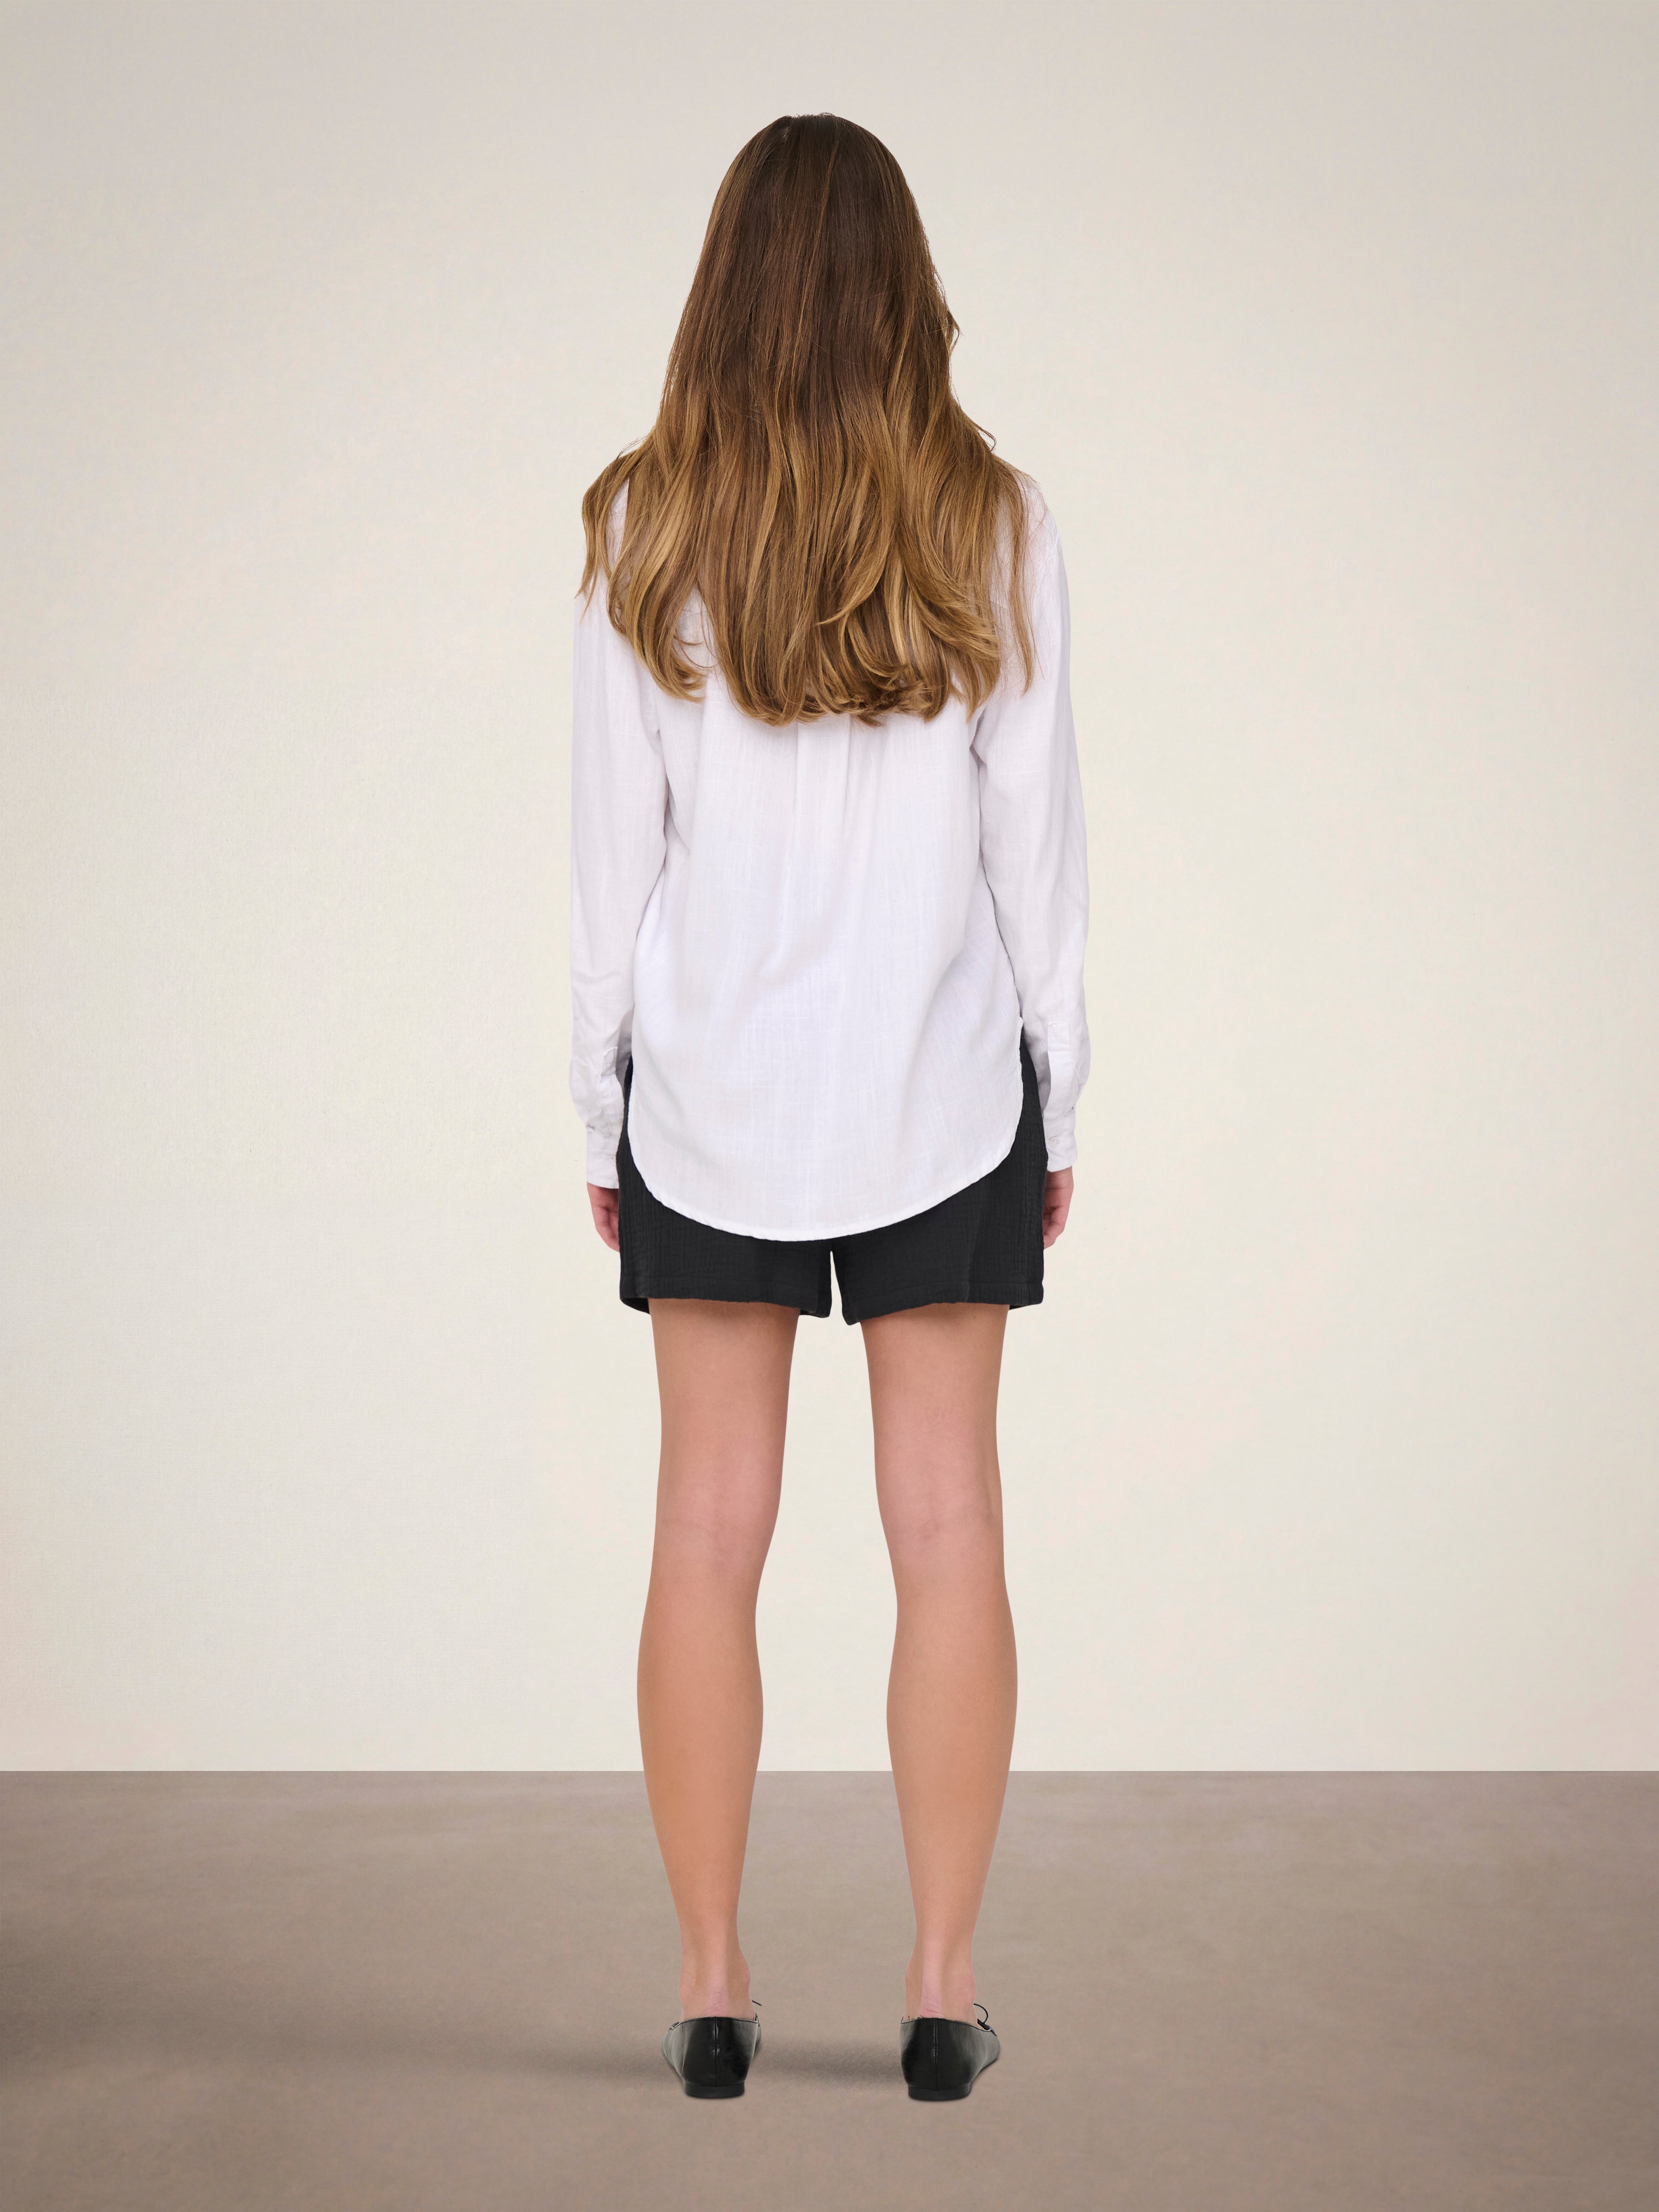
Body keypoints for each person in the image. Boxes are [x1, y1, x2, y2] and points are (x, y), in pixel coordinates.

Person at [568, 112, 1089, 2103]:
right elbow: (1037, 850)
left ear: (726, 287)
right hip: (942, 1089)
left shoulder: (642, 527)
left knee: (707, 1527)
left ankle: (712, 1987)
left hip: (710, 1097)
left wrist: (599, 1105)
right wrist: (1057, 1102)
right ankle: (943, 1992)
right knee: (947, 1522)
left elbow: (611, 864)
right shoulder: (994, 522)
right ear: (906, 288)